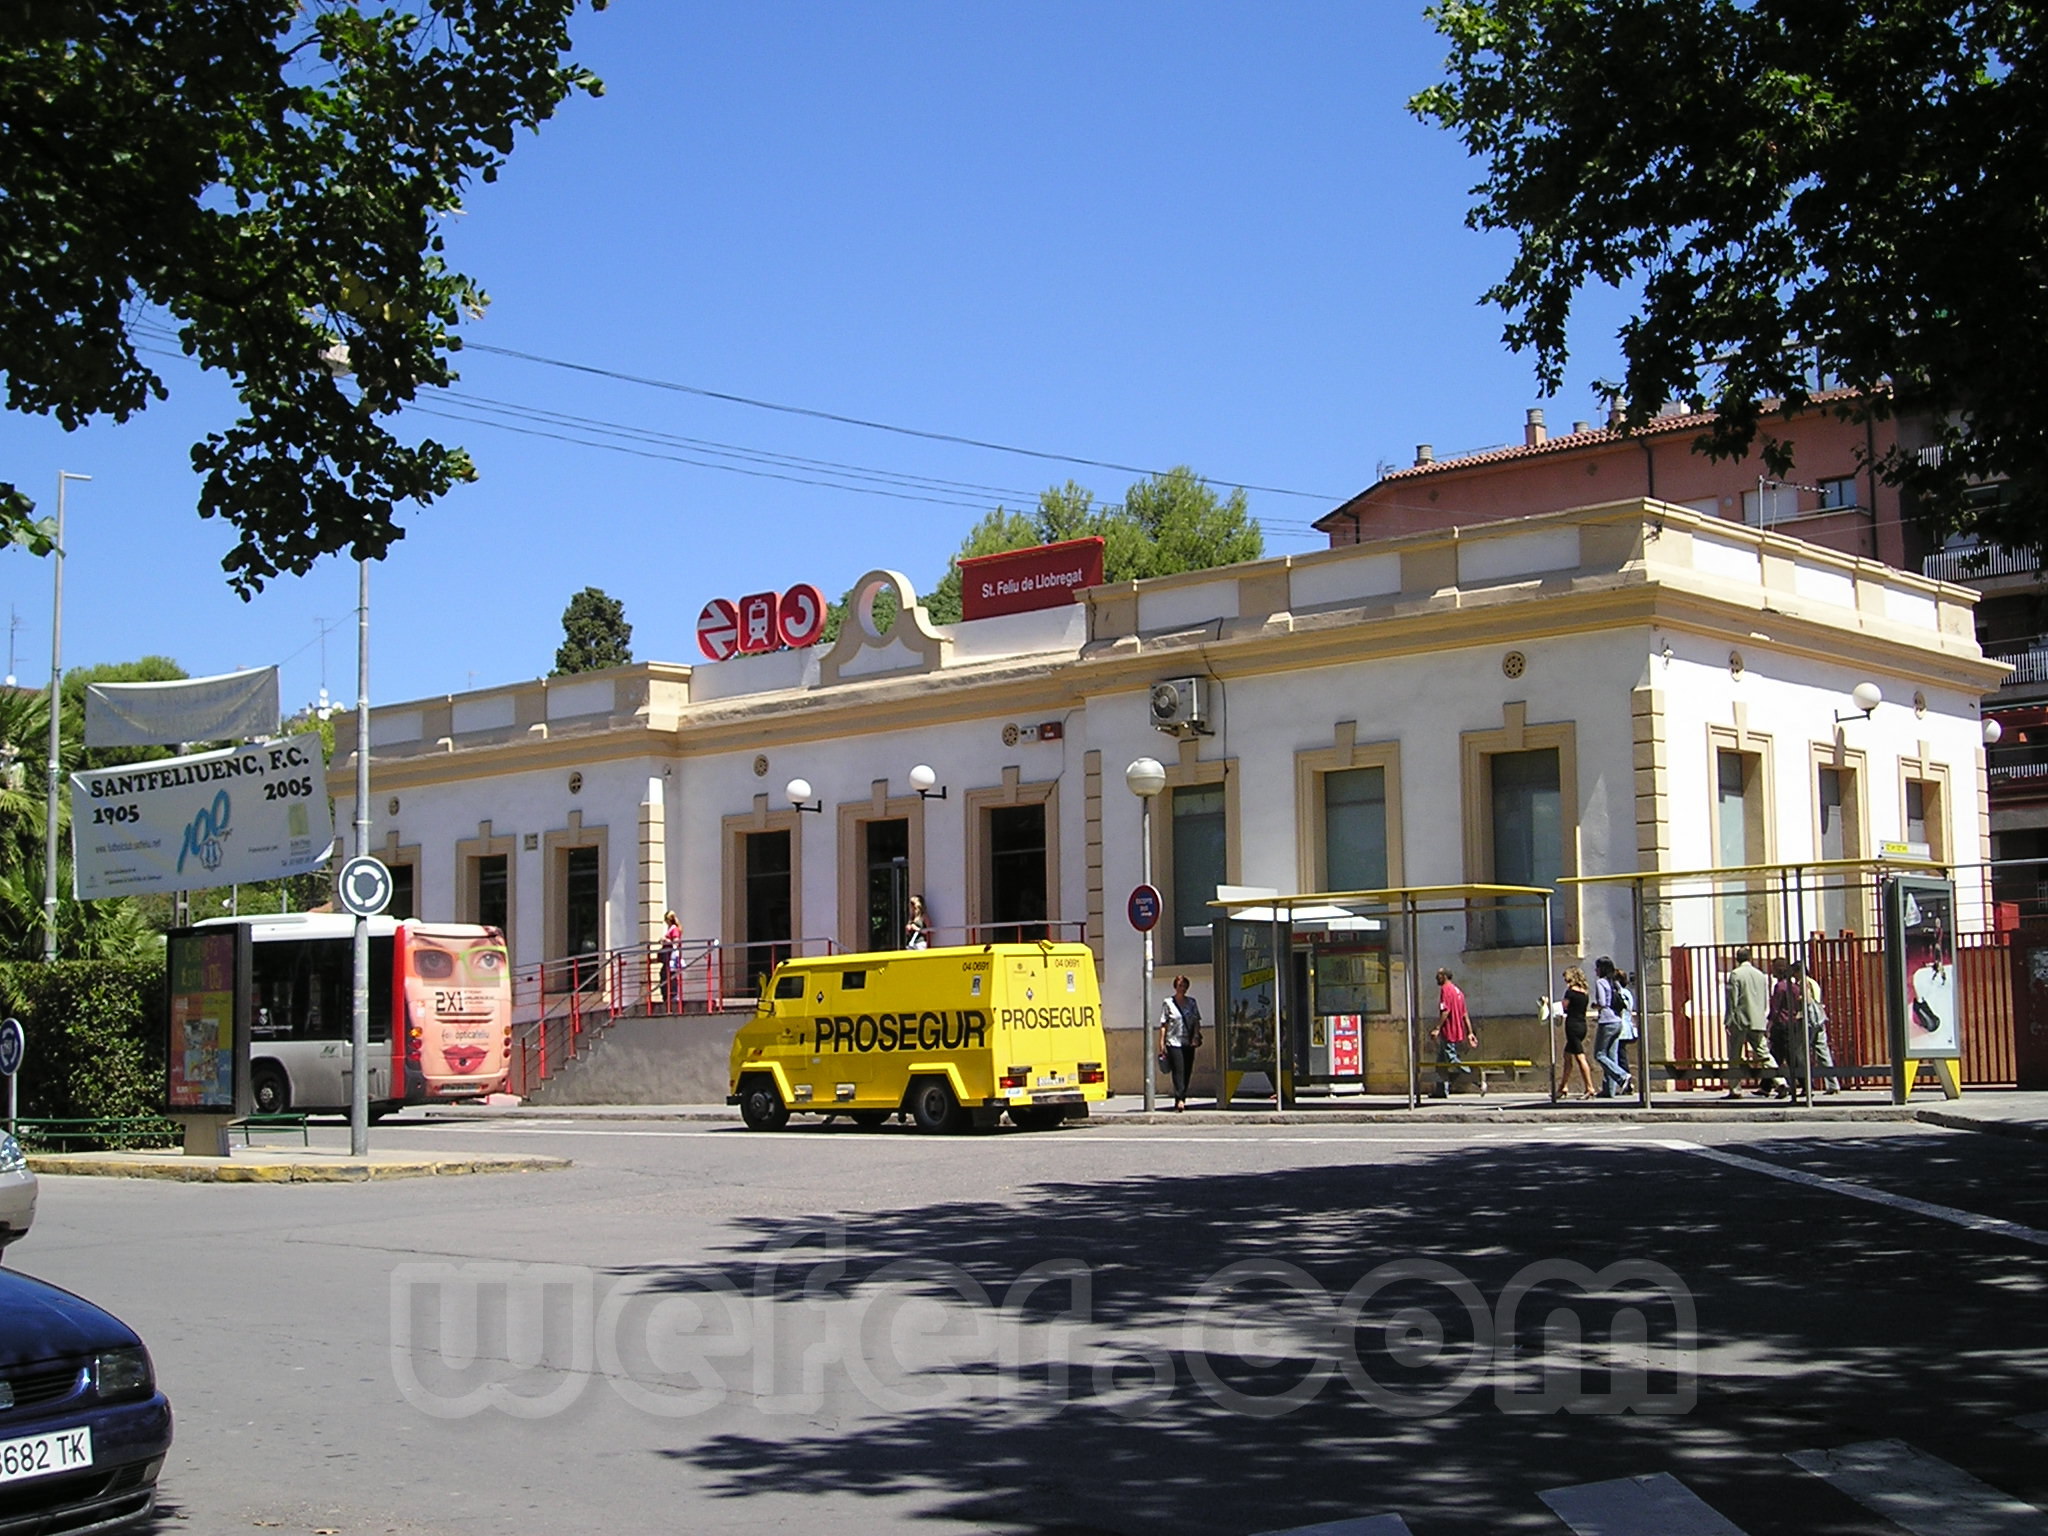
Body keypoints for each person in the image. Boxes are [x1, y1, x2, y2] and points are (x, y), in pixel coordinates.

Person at [1722, 947, 1777, 1099]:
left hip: (1740, 1021)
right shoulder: (1760, 975)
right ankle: (1780, 1081)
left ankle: (1735, 1089)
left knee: (1734, 1055)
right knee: (1763, 1052)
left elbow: (1732, 999)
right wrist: (1762, 1015)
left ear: (1736, 958)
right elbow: (1765, 999)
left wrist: (1728, 1020)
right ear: (1750, 958)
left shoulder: (1735, 974)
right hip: (1757, 1019)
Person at [1431, 968, 1479, 1097]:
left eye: (1438, 975)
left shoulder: (1445, 990)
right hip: (1457, 1031)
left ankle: (1477, 1081)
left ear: (1444, 976)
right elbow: (1465, 1014)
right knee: (1440, 1063)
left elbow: (1445, 1011)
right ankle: (1441, 1090)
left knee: (1452, 1059)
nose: (1436, 977)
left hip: (1449, 1031)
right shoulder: (1459, 992)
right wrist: (1469, 1032)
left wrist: (1437, 1028)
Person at [1767, 958, 1810, 1101]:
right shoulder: (1795, 987)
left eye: (1773, 968)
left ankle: (1804, 1084)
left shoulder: (1780, 987)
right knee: (1779, 1055)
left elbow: (1775, 1008)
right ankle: (1766, 1085)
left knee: (1785, 1056)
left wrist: (1769, 1025)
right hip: (1792, 1024)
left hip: (1781, 1025)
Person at [1157, 975, 1202, 1111]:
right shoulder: (1168, 1002)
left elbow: (1196, 1021)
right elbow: (1164, 1024)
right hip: (1173, 1041)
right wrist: (1161, 1043)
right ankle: (1179, 1099)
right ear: (1175, 987)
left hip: (1188, 1041)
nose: (1182, 988)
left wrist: (1195, 1036)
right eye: (1179, 985)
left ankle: (1183, 1095)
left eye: (1184, 986)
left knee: (1187, 1070)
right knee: (1178, 1070)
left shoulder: (1192, 1002)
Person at [1555, 965, 1596, 1100]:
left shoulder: (1570, 992)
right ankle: (1563, 1087)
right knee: (1567, 1056)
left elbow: (1564, 1007)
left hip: (1572, 1026)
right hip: (1582, 1025)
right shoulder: (1584, 992)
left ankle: (1589, 1087)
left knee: (1580, 1057)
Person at [1591, 956, 1630, 1097]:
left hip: (1606, 1021)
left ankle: (1622, 1076)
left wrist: (1594, 1005)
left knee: (1599, 1054)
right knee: (1611, 1055)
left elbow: (1602, 1002)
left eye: (1597, 967)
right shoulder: (1615, 983)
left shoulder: (1601, 982)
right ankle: (1609, 1090)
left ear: (1602, 968)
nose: (1595, 970)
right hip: (1618, 1021)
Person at [1803, 963, 1844, 1094]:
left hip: (1811, 1021)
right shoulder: (1814, 982)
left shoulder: (1804, 982)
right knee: (1823, 1052)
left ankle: (1807, 1085)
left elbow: (1807, 1001)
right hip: (1820, 1019)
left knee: (1802, 1052)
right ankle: (1833, 1084)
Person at [658, 909, 682, 1010]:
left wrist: (666, 940)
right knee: (664, 974)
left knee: (669, 975)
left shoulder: (674, 929)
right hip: (667, 957)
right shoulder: (670, 929)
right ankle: (667, 995)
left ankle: (672, 995)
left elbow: (675, 943)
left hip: (671, 956)